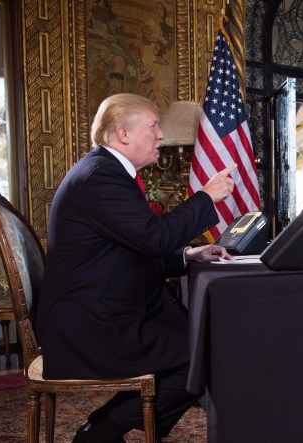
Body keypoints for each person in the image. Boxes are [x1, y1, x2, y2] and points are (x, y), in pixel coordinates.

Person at [34, 93, 237, 442]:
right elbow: (153, 238)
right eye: (154, 126)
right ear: (122, 134)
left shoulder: (104, 171)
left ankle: (105, 427)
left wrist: (187, 256)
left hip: (100, 309)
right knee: (204, 353)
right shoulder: (100, 177)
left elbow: (129, 249)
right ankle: (101, 431)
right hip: (89, 325)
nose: (160, 135)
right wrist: (206, 196)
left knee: (200, 343)